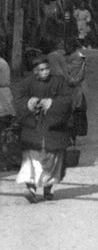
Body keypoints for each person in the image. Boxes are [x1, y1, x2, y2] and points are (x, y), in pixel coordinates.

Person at [14, 58, 74, 202]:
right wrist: (30, 103)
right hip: (33, 128)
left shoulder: (59, 82)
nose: (45, 72)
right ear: (35, 71)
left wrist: (52, 104)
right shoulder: (26, 83)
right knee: (31, 161)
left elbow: (67, 100)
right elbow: (18, 100)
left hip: (53, 128)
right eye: (41, 70)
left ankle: (48, 189)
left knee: (52, 161)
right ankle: (31, 189)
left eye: (47, 69)